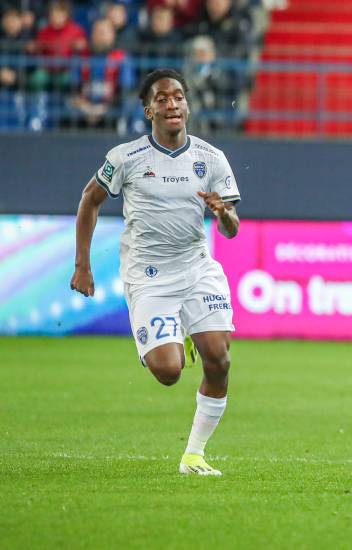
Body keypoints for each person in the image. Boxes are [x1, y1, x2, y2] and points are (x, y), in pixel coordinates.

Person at [70, 68, 241, 476]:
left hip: (197, 267)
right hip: (149, 276)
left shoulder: (210, 158)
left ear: (187, 105)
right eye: (162, 99)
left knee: (219, 359)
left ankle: (194, 455)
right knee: (169, 372)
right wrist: (82, 264)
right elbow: (89, 201)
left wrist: (224, 214)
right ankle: (176, 336)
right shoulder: (125, 158)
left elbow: (232, 229)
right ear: (149, 110)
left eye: (178, 97)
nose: (172, 104)